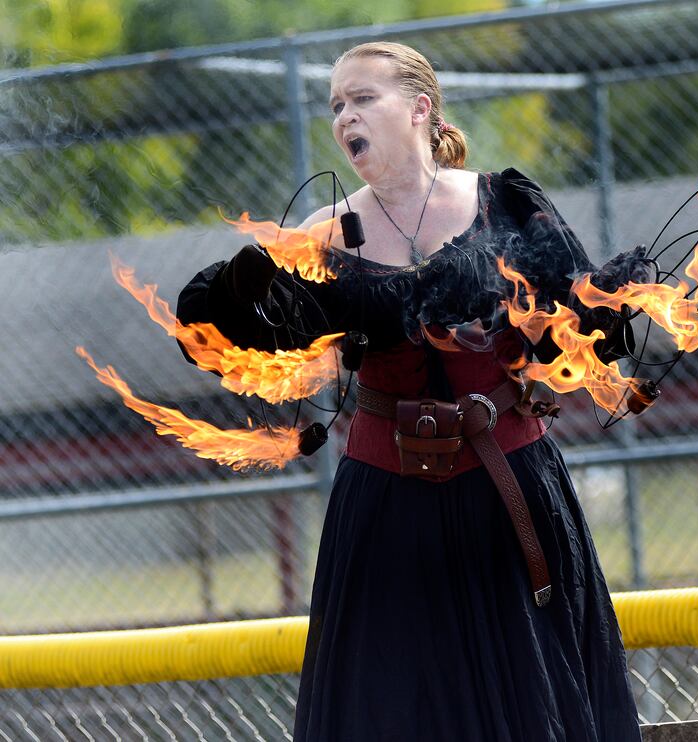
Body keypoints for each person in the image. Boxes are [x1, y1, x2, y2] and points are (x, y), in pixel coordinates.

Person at [177, 41, 649, 742]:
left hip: (508, 491)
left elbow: (573, 331)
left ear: (421, 109)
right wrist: (236, 306)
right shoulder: (322, 240)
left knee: (531, 709)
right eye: (336, 105)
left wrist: (607, 310)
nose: (345, 117)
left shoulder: (505, 204)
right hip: (387, 509)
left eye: (363, 98)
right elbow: (260, 355)